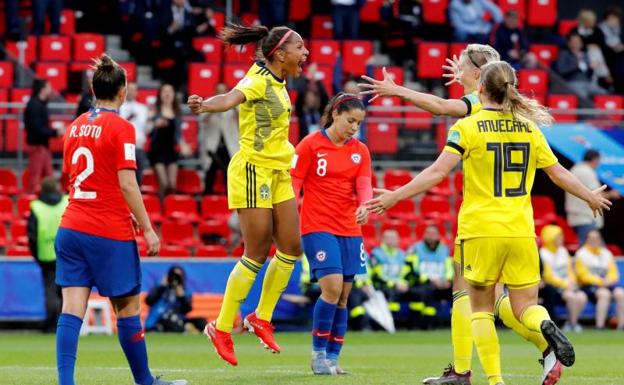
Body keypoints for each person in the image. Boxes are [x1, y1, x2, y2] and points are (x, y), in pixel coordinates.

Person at [366, 60, 612, 385]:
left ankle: (495, 381)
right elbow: (558, 174)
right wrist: (590, 196)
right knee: (525, 306)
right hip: (521, 231)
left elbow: (438, 172)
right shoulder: (529, 129)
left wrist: (396, 196)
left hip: (480, 230)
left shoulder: (467, 127)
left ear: (480, 87)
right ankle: (544, 326)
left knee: (480, 308)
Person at [362, 45, 544, 384]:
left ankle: (466, 370)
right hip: (515, 222)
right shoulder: (511, 114)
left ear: (480, 74)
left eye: (462, 65)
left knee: (472, 297)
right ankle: (543, 347)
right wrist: (464, 78)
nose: (455, 69)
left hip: (482, 220)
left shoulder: (478, 107)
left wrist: (395, 90)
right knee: (506, 301)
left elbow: (440, 108)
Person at [54, 54, 186, 385]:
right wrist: (148, 228)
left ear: (92, 88)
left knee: (72, 309)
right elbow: (127, 183)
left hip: (71, 227)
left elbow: (72, 177)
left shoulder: (74, 127)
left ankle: (65, 383)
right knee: (127, 310)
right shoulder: (122, 128)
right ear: (123, 91)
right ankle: (145, 382)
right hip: (107, 232)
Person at [187, 23, 309, 366]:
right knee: (255, 252)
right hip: (253, 169)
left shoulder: (280, 80)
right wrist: (205, 106)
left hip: (278, 169)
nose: (306, 54)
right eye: (300, 48)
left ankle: (261, 317)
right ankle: (222, 327)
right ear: (280, 54)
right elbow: (230, 99)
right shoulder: (257, 79)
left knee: (291, 247)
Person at [291, 92, 372, 374]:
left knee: (344, 296)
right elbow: (293, 185)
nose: (354, 127)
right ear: (335, 114)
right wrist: (287, 221)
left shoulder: (360, 150)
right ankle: (318, 356)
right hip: (317, 226)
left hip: (350, 228)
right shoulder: (310, 145)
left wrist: (365, 206)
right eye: (350, 120)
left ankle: (333, 360)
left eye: (359, 123)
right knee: (332, 287)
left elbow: (364, 186)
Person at [27, 177, 68, 333]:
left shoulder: (36, 207)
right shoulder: (66, 201)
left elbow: (32, 236)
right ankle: (65, 324)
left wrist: (37, 256)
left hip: (46, 256)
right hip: (66, 254)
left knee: (50, 290)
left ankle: (51, 324)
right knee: (66, 291)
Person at [370, 229, 424, 328]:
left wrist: (407, 283)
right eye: (388, 238)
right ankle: (393, 325)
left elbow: (408, 272)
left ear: (398, 240)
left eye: (393, 238)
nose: (391, 240)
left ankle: (415, 326)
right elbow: (377, 275)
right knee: (392, 293)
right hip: (383, 286)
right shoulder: (376, 254)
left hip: (401, 285)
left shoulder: (402, 255)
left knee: (418, 293)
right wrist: (394, 284)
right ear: (383, 239)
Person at [565, 149, 620, 245]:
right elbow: (594, 195)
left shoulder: (574, 169)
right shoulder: (587, 172)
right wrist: (611, 194)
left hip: (576, 216)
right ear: (595, 160)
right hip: (586, 217)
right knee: (591, 250)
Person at [539, 225, 587, 332]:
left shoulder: (563, 251)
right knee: (571, 297)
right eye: (558, 237)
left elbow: (570, 270)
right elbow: (548, 276)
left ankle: (571, 323)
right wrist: (565, 285)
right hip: (556, 288)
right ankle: (572, 324)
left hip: (569, 286)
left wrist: (572, 283)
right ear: (550, 238)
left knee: (582, 296)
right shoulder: (543, 253)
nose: (561, 239)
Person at [406, 224, 454, 329]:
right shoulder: (415, 249)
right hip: (422, 282)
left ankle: (453, 323)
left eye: (433, 233)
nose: (431, 236)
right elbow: (412, 270)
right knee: (424, 292)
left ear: (438, 236)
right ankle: (422, 324)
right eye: (428, 233)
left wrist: (447, 280)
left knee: (456, 291)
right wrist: (429, 280)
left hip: (442, 283)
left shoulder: (444, 250)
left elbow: (449, 268)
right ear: (424, 235)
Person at [575, 230, 624, 329]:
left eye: (597, 238)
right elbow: (582, 275)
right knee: (604, 294)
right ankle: (599, 326)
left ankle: (621, 326)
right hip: (590, 285)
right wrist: (600, 282)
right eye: (592, 238)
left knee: (620, 293)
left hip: (607, 283)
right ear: (587, 240)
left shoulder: (606, 253)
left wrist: (609, 280)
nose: (594, 240)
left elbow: (613, 272)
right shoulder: (581, 254)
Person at [198, 83, 239, 195]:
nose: (221, 93)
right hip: (213, 146)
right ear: (215, 92)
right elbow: (202, 121)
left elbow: (241, 121)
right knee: (210, 174)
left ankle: (229, 203)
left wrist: (233, 106)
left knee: (229, 175)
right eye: (219, 91)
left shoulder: (234, 105)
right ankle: (207, 199)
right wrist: (214, 107)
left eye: (224, 91)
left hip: (229, 146)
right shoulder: (208, 103)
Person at [149, 83, 187, 197]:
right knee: (164, 184)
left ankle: (169, 209)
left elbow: (178, 135)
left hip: (171, 151)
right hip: (157, 151)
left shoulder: (177, 113)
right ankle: (160, 209)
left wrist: (183, 145)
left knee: (172, 185)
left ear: (174, 94)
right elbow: (147, 130)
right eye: (164, 91)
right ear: (160, 94)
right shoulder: (155, 111)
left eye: (170, 91)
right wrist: (155, 124)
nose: (167, 93)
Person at [24, 79, 61, 194]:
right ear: (42, 89)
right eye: (49, 87)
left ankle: (52, 200)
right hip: (37, 147)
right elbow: (37, 129)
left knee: (49, 177)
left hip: (43, 147)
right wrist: (55, 132)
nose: (51, 90)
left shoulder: (39, 104)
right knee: (35, 179)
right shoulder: (35, 105)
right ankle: (30, 204)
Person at [145, 265, 206, 333]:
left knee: (201, 322)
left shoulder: (184, 291)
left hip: (178, 320)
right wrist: (161, 287)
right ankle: (186, 330)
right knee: (170, 321)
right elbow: (148, 301)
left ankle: (187, 329)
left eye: (178, 277)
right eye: (173, 276)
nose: (175, 279)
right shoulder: (160, 287)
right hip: (159, 320)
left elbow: (187, 309)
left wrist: (181, 297)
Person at [554, 33, 608, 100]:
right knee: (583, 95)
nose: (575, 44)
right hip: (571, 82)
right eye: (572, 42)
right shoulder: (564, 54)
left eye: (577, 42)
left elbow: (588, 75)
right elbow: (561, 71)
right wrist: (576, 66)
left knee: (604, 93)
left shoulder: (584, 55)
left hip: (587, 82)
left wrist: (591, 68)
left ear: (581, 44)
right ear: (568, 43)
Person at [120, 82, 151, 185]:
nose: (131, 92)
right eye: (129, 89)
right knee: (123, 178)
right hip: (123, 147)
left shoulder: (143, 109)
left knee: (138, 179)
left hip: (138, 146)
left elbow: (147, 129)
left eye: (134, 89)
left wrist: (152, 122)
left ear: (137, 92)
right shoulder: (119, 107)